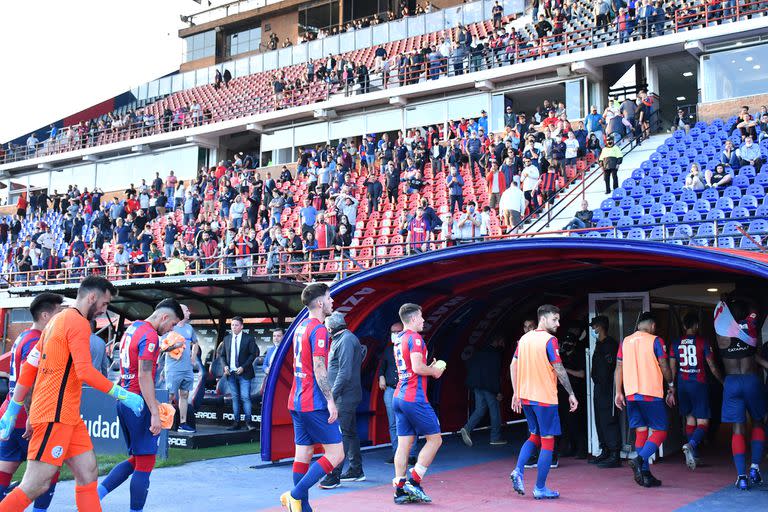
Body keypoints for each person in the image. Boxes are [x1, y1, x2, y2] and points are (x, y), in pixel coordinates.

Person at [0, 276, 143, 512]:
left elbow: (30, 366)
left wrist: (15, 408)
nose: (104, 310)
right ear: (93, 297)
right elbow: (85, 371)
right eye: (105, 304)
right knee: (35, 484)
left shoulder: (56, 321)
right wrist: (123, 394)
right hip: (54, 414)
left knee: (88, 473)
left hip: (67, 416)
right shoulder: (77, 322)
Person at [97, 299, 183, 509]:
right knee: (146, 462)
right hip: (139, 402)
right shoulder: (151, 335)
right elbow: (144, 375)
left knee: (138, 459)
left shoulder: (134, 327)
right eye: (172, 325)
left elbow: (138, 361)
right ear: (164, 317)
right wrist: (154, 411)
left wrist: (164, 350)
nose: (170, 330)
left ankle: (95, 494)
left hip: (126, 399)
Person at [280, 283, 344, 512]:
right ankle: (294, 495)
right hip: (312, 402)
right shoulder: (318, 328)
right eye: (329, 298)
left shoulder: (300, 326)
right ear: (319, 302)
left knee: (304, 453)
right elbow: (319, 367)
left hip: (296, 400)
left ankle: (302, 508)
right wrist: (330, 400)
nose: (332, 302)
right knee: (336, 454)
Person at [0, 293, 64, 511]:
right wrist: (32, 415)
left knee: (5, 469)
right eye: (59, 312)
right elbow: (30, 384)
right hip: (27, 417)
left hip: (10, 412)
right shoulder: (37, 340)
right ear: (46, 316)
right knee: (49, 471)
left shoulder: (23, 337)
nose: (62, 317)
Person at [510, 304, 578, 500]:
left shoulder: (524, 339)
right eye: (555, 319)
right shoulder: (550, 340)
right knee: (548, 442)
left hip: (527, 397)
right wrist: (571, 393)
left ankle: (518, 470)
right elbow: (559, 368)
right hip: (545, 398)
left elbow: (513, 365)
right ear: (544, 319)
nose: (558, 323)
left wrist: (516, 392)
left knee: (534, 436)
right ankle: (540, 488)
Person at [391, 303, 445, 505]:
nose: (423, 320)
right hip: (414, 397)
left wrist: (426, 368)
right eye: (421, 317)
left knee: (404, 444)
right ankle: (414, 481)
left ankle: (400, 490)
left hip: (400, 395)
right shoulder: (415, 338)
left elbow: (411, 367)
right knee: (435, 439)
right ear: (412, 319)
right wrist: (434, 371)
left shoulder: (399, 338)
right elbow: (416, 367)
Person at [614, 312, 675, 488]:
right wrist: (671, 384)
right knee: (661, 430)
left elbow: (618, 368)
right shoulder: (656, 340)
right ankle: (639, 459)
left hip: (631, 394)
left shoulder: (625, 341)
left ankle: (646, 474)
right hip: (651, 393)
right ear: (653, 325)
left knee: (641, 432)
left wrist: (619, 392)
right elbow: (664, 365)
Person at [714, 297, 767, 490]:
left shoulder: (721, 334)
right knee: (758, 421)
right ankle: (754, 467)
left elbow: (718, 313)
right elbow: (755, 311)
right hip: (751, 379)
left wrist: (724, 302)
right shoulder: (751, 328)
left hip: (732, 382)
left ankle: (742, 477)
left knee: (738, 428)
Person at [670, 312, 723, 470]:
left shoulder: (675, 343)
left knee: (690, 420)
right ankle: (692, 445)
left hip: (682, 385)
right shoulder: (702, 342)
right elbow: (712, 365)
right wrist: (723, 381)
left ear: (685, 326)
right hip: (699, 384)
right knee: (703, 421)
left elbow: (672, 367)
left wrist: (671, 387)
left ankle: (695, 455)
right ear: (696, 326)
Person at [320, 312, 366, 488]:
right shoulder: (343, 339)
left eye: (326, 327)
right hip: (345, 395)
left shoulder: (346, 340)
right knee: (350, 432)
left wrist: (332, 395)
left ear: (330, 328)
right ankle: (356, 470)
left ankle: (334, 475)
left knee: (341, 435)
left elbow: (344, 373)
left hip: (344, 397)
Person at [378, 322, 418, 465]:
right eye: (392, 331)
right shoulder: (388, 350)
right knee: (393, 423)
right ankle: (397, 454)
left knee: (409, 421)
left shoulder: (411, 347)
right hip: (390, 389)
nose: (394, 334)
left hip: (406, 389)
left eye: (397, 331)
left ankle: (412, 454)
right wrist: (381, 377)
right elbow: (381, 368)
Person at [460, 336, 507, 447]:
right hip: (488, 386)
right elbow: (494, 374)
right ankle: (495, 438)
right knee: (494, 411)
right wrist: (498, 391)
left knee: (480, 409)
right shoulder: (495, 354)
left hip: (476, 385)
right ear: (497, 341)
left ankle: (467, 428)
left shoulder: (479, 351)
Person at [589, 315, 622, 469]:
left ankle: (615, 454)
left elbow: (611, 367)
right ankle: (605, 450)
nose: (592, 329)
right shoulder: (599, 343)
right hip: (599, 388)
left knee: (609, 419)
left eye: (594, 326)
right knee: (599, 419)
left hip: (608, 388)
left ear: (601, 327)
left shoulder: (610, 344)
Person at [162, 304, 199, 433]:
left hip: (187, 369)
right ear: (180, 312)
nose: (189, 312)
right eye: (186, 310)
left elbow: (195, 343)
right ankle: (165, 423)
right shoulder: (171, 327)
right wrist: (174, 346)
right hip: (173, 369)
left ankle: (183, 424)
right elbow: (163, 347)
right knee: (170, 396)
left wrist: (193, 356)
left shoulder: (189, 328)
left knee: (184, 395)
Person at [218, 317, 259, 430]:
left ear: (242, 326)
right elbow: (222, 355)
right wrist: (224, 366)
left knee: (245, 397)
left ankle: (249, 423)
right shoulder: (226, 339)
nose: (234, 327)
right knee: (235, 398)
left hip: (244, 373)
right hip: (230, 373)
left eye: (236, 325)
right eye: (232, 325)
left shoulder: (249, 338)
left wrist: (243, 367)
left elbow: (253, 354)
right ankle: (236, 423)